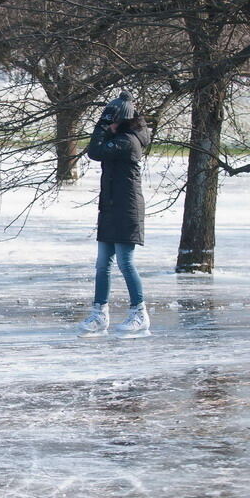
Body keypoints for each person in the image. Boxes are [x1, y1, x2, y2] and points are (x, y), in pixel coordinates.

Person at [78, 91, 152, 337]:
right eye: (106, 120)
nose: (108, 124)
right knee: (102, 264)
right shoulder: (120, 136)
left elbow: (95, 151)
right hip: (111, 207)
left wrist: (100, 127)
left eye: (111, 120)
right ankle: (99, 313)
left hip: (126, 209)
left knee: (125, 263)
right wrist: (106, 125)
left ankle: (139, 313)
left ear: (123, 121)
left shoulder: (127, 141)